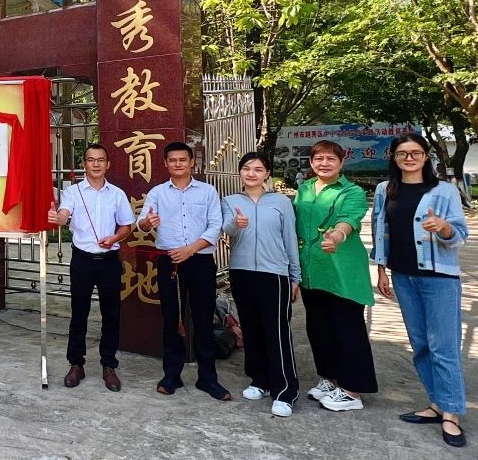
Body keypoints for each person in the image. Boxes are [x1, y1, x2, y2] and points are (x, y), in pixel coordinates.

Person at [373, 133, 471, 447]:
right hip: (403, 276)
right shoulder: (385, 189)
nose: (409, 158)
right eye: (402, 153)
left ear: (426, 156)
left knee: (444, 346)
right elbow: (380, 229)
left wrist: (443, 227)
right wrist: (381, 269)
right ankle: (437, 403)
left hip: (439, 277)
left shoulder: (444, 190)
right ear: (394, 158)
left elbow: (460, 234)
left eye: (415, 152)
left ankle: (451, 413)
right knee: (421, 345)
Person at [137, 141, 230, 401]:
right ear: (165, 163)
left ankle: (208, 378)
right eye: (172, 160)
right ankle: (171, 375)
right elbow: (142, 223)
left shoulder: (208, 191)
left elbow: (215, 226)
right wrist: (147, 222)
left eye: (182, 160)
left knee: (203, 319)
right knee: (171, 319)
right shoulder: (157, 192)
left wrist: (190, 249)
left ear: (191, 163)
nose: (178, 164)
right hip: (170, 263)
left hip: (200, 261)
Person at [293, 139, 375, 412]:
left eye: (330, 158)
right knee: (319, 328)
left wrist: (337, 235)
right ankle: (330, 378)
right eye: (319, 158)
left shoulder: (352, 191)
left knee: (348, 328)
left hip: (342, 270)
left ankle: (352, 390)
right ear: (311, 162)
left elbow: (349, 219)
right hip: (311, 269)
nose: (324, 163)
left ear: (341, 162)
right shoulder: (304, 189)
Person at [48, 144, 135, 392]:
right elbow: (64, 215)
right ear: (84, 164)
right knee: (79, 314)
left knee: (111, 315)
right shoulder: (73, 192)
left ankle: (109, 365)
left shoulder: (117, 194)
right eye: (90, 160)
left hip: (109, 261)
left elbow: (126, 226)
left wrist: (115, 238)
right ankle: (76, 364)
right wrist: (58, 218)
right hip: (82, 261)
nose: (96, 164)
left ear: (108, 164)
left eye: (100, 160)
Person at [222, 152, 301, 417]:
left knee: (276, 331)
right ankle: (259, 380)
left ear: (267, 174)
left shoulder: (281, 202)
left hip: (274, 273)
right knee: (251, 328)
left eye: (258, 169)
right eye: (247, 168)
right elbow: (226, 230)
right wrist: (236, 223)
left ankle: (285, 391)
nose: (252, 173)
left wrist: (295, 276)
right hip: (241, 271)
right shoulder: (230, 201)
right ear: (240, 172)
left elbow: (290, 238)